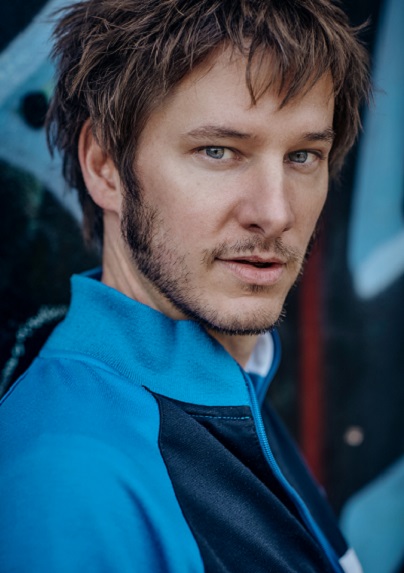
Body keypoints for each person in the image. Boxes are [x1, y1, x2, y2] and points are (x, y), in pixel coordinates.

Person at [0, 0, 370, 571]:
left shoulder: (231, 386)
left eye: (303, 156)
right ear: (105, 165)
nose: (275, 213)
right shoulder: (72, 482)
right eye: (218, 151)